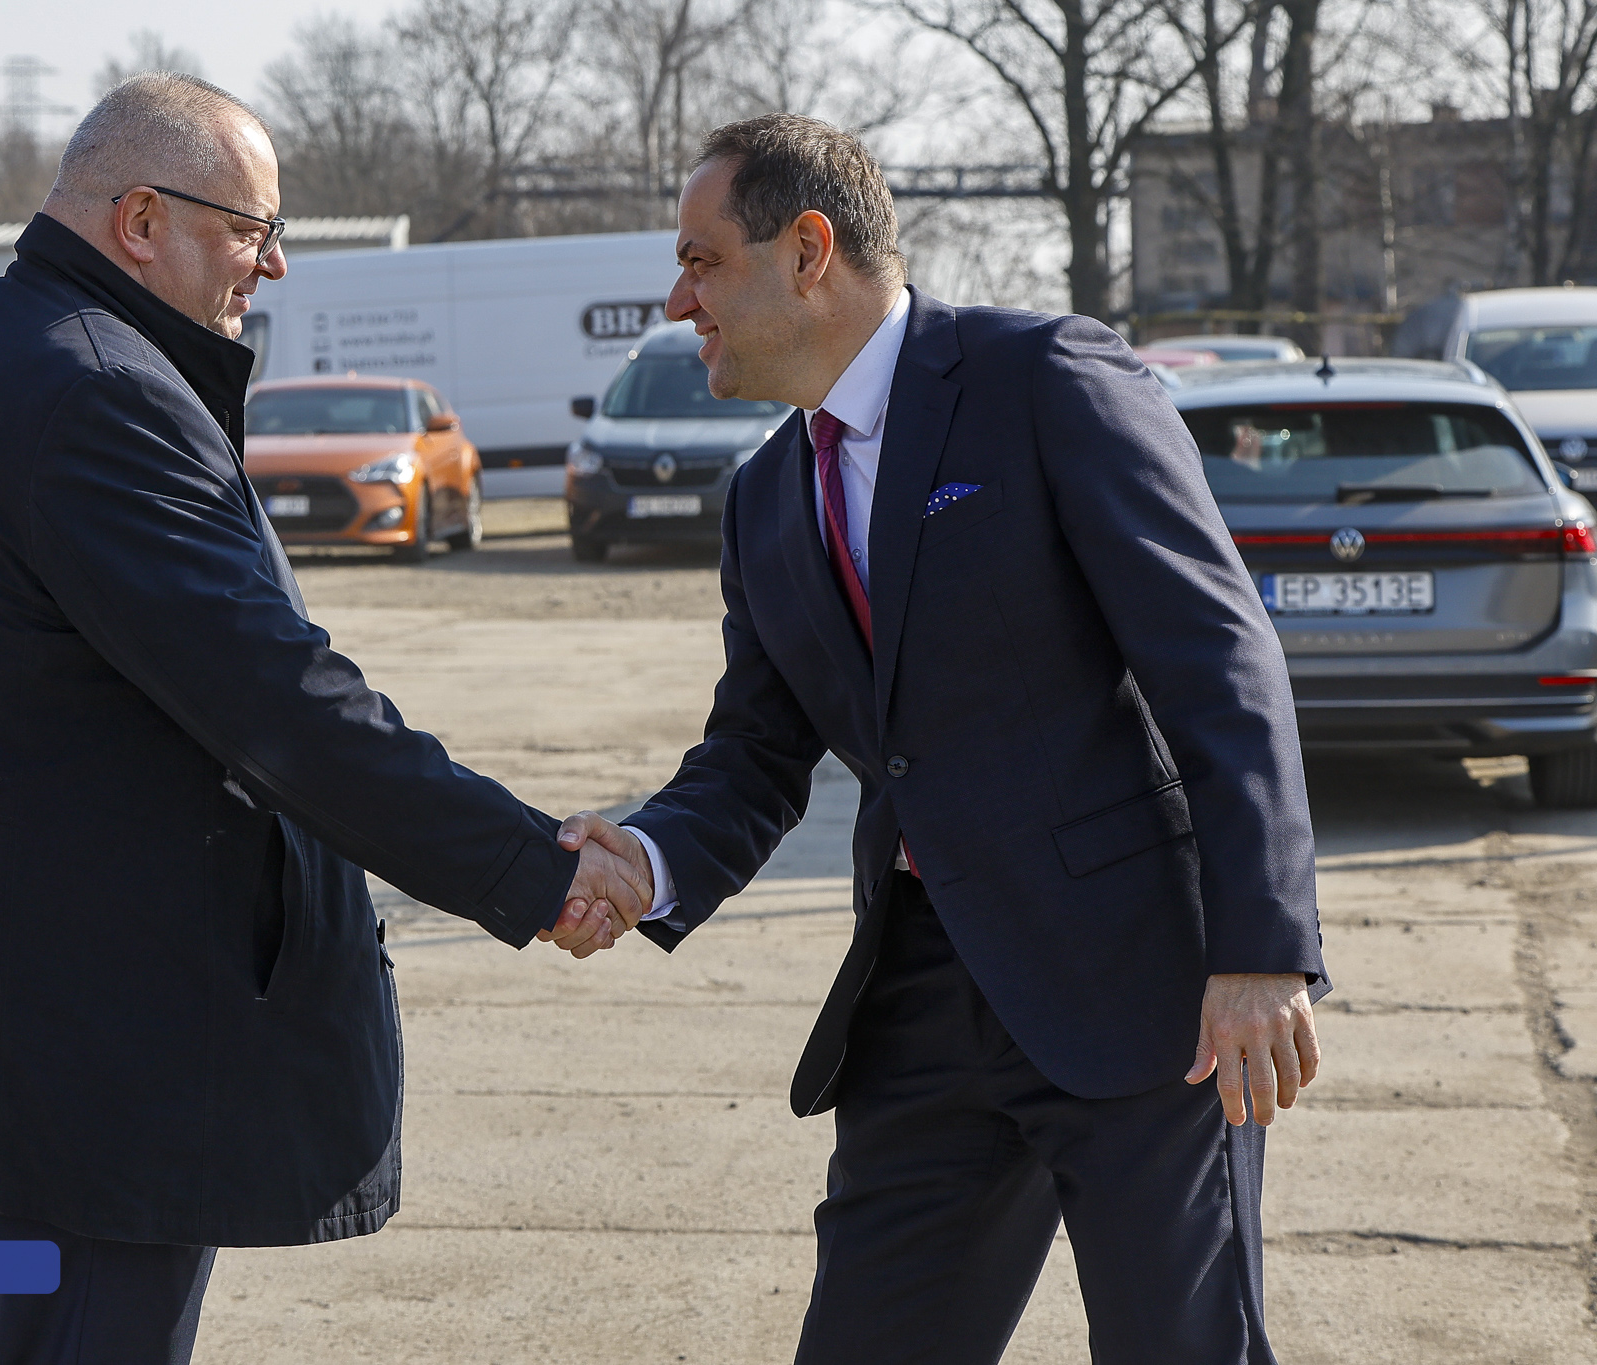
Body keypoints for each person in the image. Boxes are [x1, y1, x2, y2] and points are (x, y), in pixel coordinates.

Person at [0, 73, 643, 1365]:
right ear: (142, 217)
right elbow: (276, 697)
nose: (276, 262)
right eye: (252, 228)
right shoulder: (93, 391)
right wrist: (531, 869)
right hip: (77, 1067)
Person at [554, 113, 1327, 1363]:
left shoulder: (1043, 381)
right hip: (918, 1006)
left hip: (1139, 997)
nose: (676, 296)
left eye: (699, 260)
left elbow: (1215, 663)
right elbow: (754, 755)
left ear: (807, 250)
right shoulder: (762, 498)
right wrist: (643, 860)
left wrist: (1261, 950)